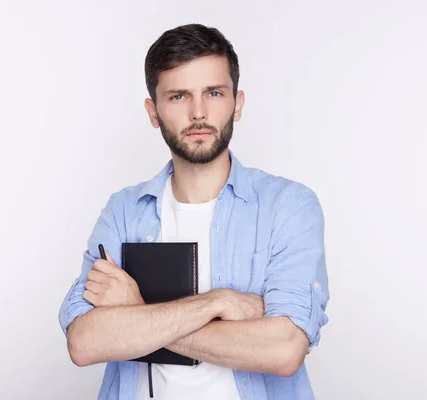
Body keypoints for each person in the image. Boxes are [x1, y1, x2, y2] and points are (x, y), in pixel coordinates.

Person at [58, 23, 330, 400]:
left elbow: (283, 351)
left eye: (214, 93)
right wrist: (217, 302)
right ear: (153, 112)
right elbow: (85, 342)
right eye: (178, 96)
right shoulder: (124, 212)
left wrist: (138, 312)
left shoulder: (289, 207)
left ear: (238, 103)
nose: (198, 112)